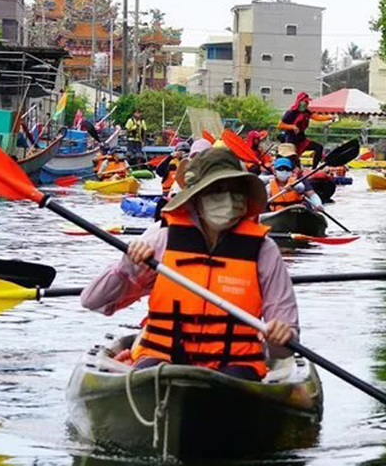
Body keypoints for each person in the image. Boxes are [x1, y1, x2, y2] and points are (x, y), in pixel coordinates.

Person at [80, 148, 298, 379]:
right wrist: (127, 267)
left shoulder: (264, 250)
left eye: (235, 191)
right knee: (154, 375)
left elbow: (284, 349)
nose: (227, 199)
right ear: (197, 197)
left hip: (235, 365)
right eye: (217, 190)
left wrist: (280, 337)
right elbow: (93, 301)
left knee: (236, 378)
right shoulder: (160, 239)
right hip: (162, 358)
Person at [276, 92, 334, 169]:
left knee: (319, 148)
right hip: (291, 140)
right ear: (299, 102)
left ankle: (314, 168)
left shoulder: (306, 112)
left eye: (307, 102)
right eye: (304, 101)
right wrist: (292, 127)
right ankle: (288, 169)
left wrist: (328, 117)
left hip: (302, 139)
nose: (306, 103)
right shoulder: (291, 113)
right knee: (293, 159)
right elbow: (280, 125)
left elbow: (316, 117)